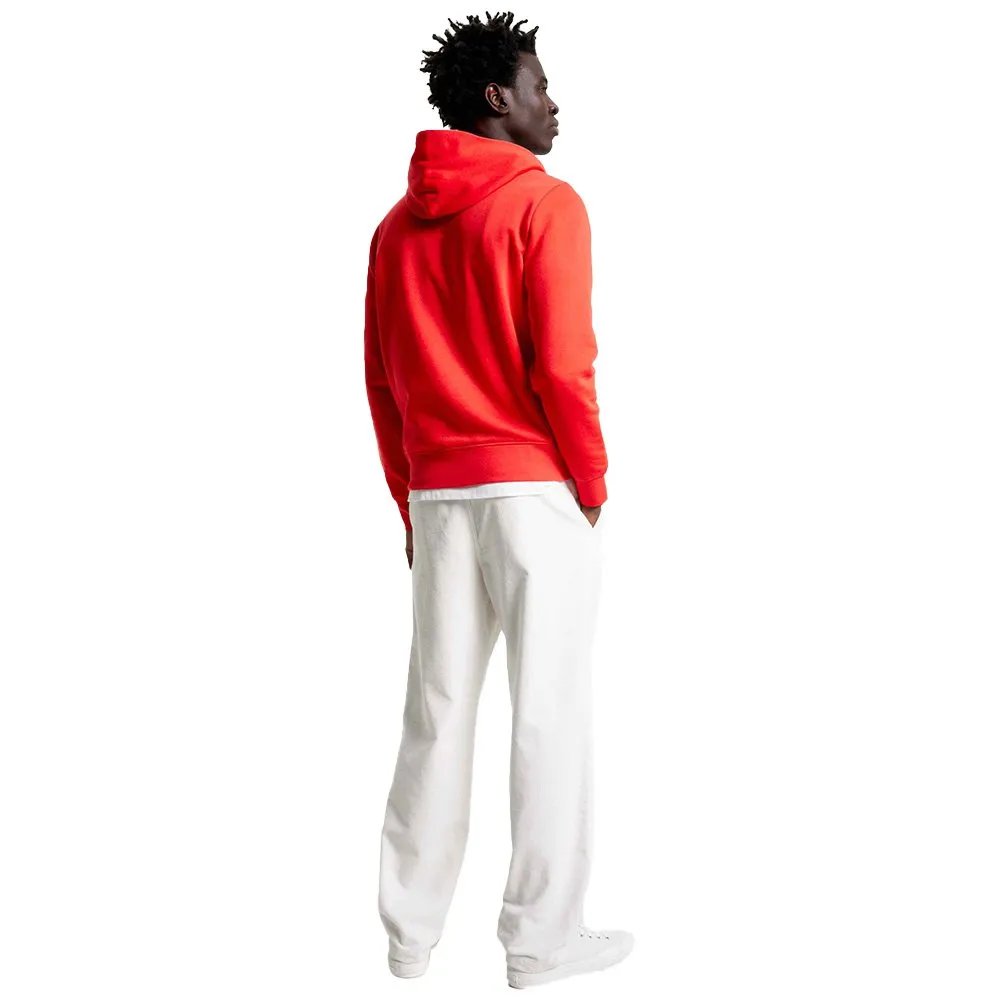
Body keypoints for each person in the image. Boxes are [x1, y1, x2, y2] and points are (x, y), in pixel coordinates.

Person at [363, 10, 633, 990]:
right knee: (547, 713)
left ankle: (409, 940)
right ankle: (540, 941)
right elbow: (563, 363)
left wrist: (409, 502)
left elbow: (384, 381)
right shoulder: (543, 203)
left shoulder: (395, 230)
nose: (553, 103)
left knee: (435, 715)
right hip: (531, 491)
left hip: (440, 496)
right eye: (539, 85)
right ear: (497, 98)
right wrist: (590, 481)